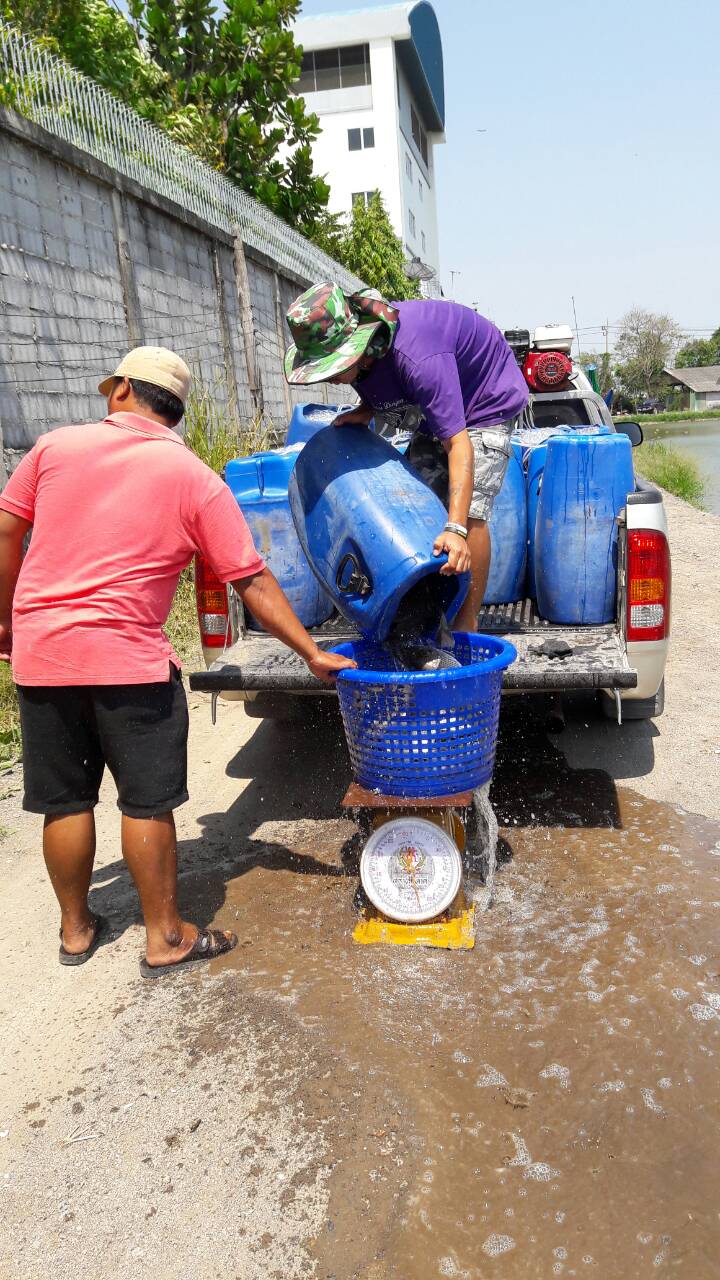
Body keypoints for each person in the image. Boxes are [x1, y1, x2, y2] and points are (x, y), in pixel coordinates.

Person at [0, 347, 354, 978]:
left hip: (44, 653)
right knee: (145, 803)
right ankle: (165, 938)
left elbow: (5, 531)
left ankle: (76, 930)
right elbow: (251, 579)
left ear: (120, 393)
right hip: (129, 662)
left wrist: (6, 621)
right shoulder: (195, 478)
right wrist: (311, 652)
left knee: (65, 801)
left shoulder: (52, 448)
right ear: (176, 412)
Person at [284, 283, 529, 632]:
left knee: (470, 510)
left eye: (334, 369)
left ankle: (466, 620)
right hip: (436, 405)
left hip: (485, 399)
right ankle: (425, 610)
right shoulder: (368, 356)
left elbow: (459, 445)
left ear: (357, 348)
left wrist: (456, 530)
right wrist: (367, 409)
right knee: (421, 502)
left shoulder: (419, 358)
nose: (334, 379)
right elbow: (380, 378)